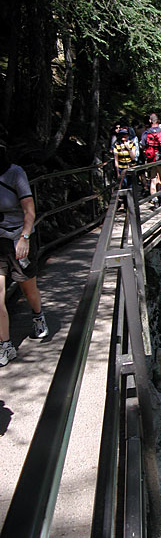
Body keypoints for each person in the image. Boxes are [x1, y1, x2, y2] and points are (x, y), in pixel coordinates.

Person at [0, 139, 49, 367]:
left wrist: (24, 237)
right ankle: (6, 345)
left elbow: (29, 210)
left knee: (28, 288)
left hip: (18, 238)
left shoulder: (14, 173)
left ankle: (38, 316)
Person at [140, 114, 161, 205]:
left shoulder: (146, 133)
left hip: (151, 159)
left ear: (150, 121)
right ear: (158, 121)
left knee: (152, 180)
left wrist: (147, 152)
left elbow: (142, 145)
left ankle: (155, 200)